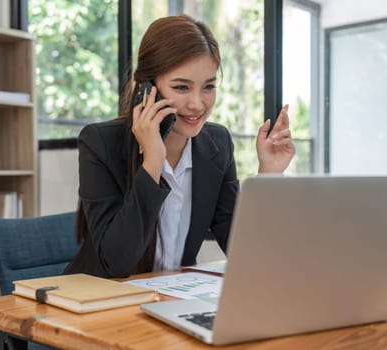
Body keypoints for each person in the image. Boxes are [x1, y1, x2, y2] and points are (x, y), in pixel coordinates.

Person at [64, 14, 295, 278]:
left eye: (208, 87)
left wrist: (269, 174)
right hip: (101, 302)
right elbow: (117, 263)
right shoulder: (100, 143)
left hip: (170, 298)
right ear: (147, 89)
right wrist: (152, 161)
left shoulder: (216, 145)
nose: (197, 104)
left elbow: (245, 251)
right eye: (182, 87)